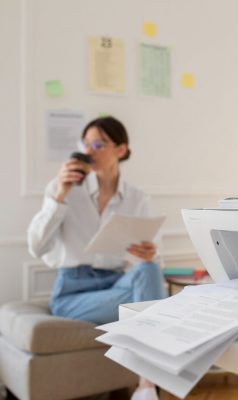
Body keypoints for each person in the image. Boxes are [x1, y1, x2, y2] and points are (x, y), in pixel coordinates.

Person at [28, 116, 166, 400]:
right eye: (85, 144)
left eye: (99, 144)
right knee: (153, 305)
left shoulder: (137, 198)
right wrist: (59, 198)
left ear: (121, 149)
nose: (89, 151)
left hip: (115, 284)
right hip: (72, 292)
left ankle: (145, 386)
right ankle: (148, 387)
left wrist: (149, 252)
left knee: (150, 270)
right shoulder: (62, 187)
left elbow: (151, 256)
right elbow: (36, 247)